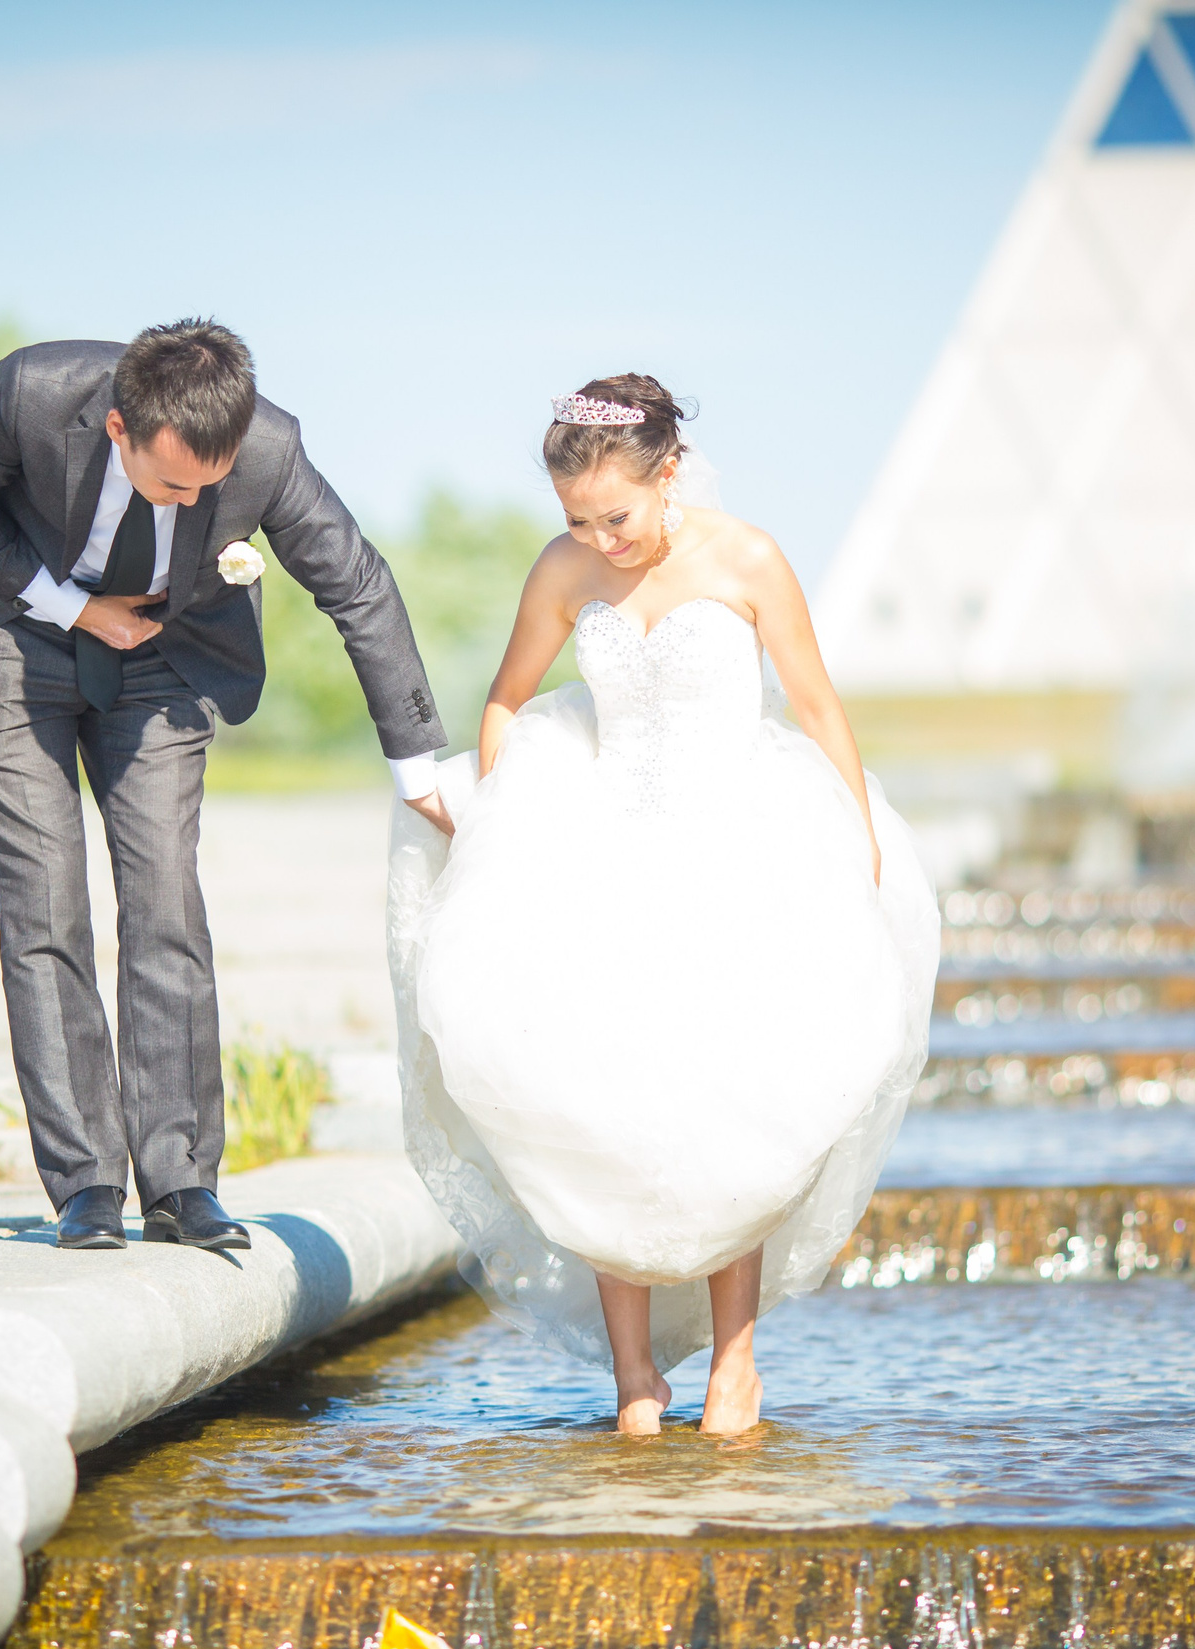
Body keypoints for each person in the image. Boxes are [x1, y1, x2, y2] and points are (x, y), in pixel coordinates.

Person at [387, 376, 938, 1437]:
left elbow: (817, 705)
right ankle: (633, 1380)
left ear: (669, 474)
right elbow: (505, 701)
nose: (600, 538)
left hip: (735, 849)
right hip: (601, 851)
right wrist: (502, 824)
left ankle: (736, 1366)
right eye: (578, 520)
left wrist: (859, 839)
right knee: (598, 1095)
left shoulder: (749, 559)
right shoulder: (563, 568)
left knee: (730, 1093)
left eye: (617, 517)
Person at [0, 320, 453, 1252]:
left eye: (213, 485)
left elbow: (356, 584)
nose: (198, 502)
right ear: (119, 426)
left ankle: (181, 1183)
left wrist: (416, 769)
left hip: (165, 657)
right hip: (12, 630)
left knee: (164, 896)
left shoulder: (270, 448)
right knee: (44, 904)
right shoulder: (29, 395)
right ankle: (85, 1182)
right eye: (173, 485)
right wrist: (76, 608)